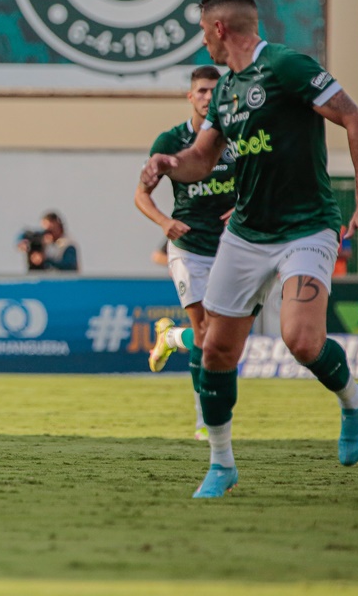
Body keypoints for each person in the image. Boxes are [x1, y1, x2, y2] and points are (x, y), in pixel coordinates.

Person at [140, 0, 358, 498]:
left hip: (307, 226)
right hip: (247, 234)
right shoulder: (226, 91)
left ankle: (353, 400)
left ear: (219, 28)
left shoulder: (286, 66)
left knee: (301, 340)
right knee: (215, 348)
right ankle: (222, 464)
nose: (202, 42)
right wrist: (168, 163)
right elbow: (201, 159)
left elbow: (356, 118)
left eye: (202, 32)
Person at [135, 65, 236, 441]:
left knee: (224, 339)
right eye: (202, 91)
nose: (208, 97)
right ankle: (204, 420)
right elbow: (141, 194)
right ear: (190, 96)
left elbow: (261, 182)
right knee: (207, 332)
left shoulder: (239, 136)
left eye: (215, 90)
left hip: (233, 247)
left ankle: (172, 338)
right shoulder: (170, 140)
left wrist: (244, 206)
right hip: (189, 247)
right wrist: (164, 222)